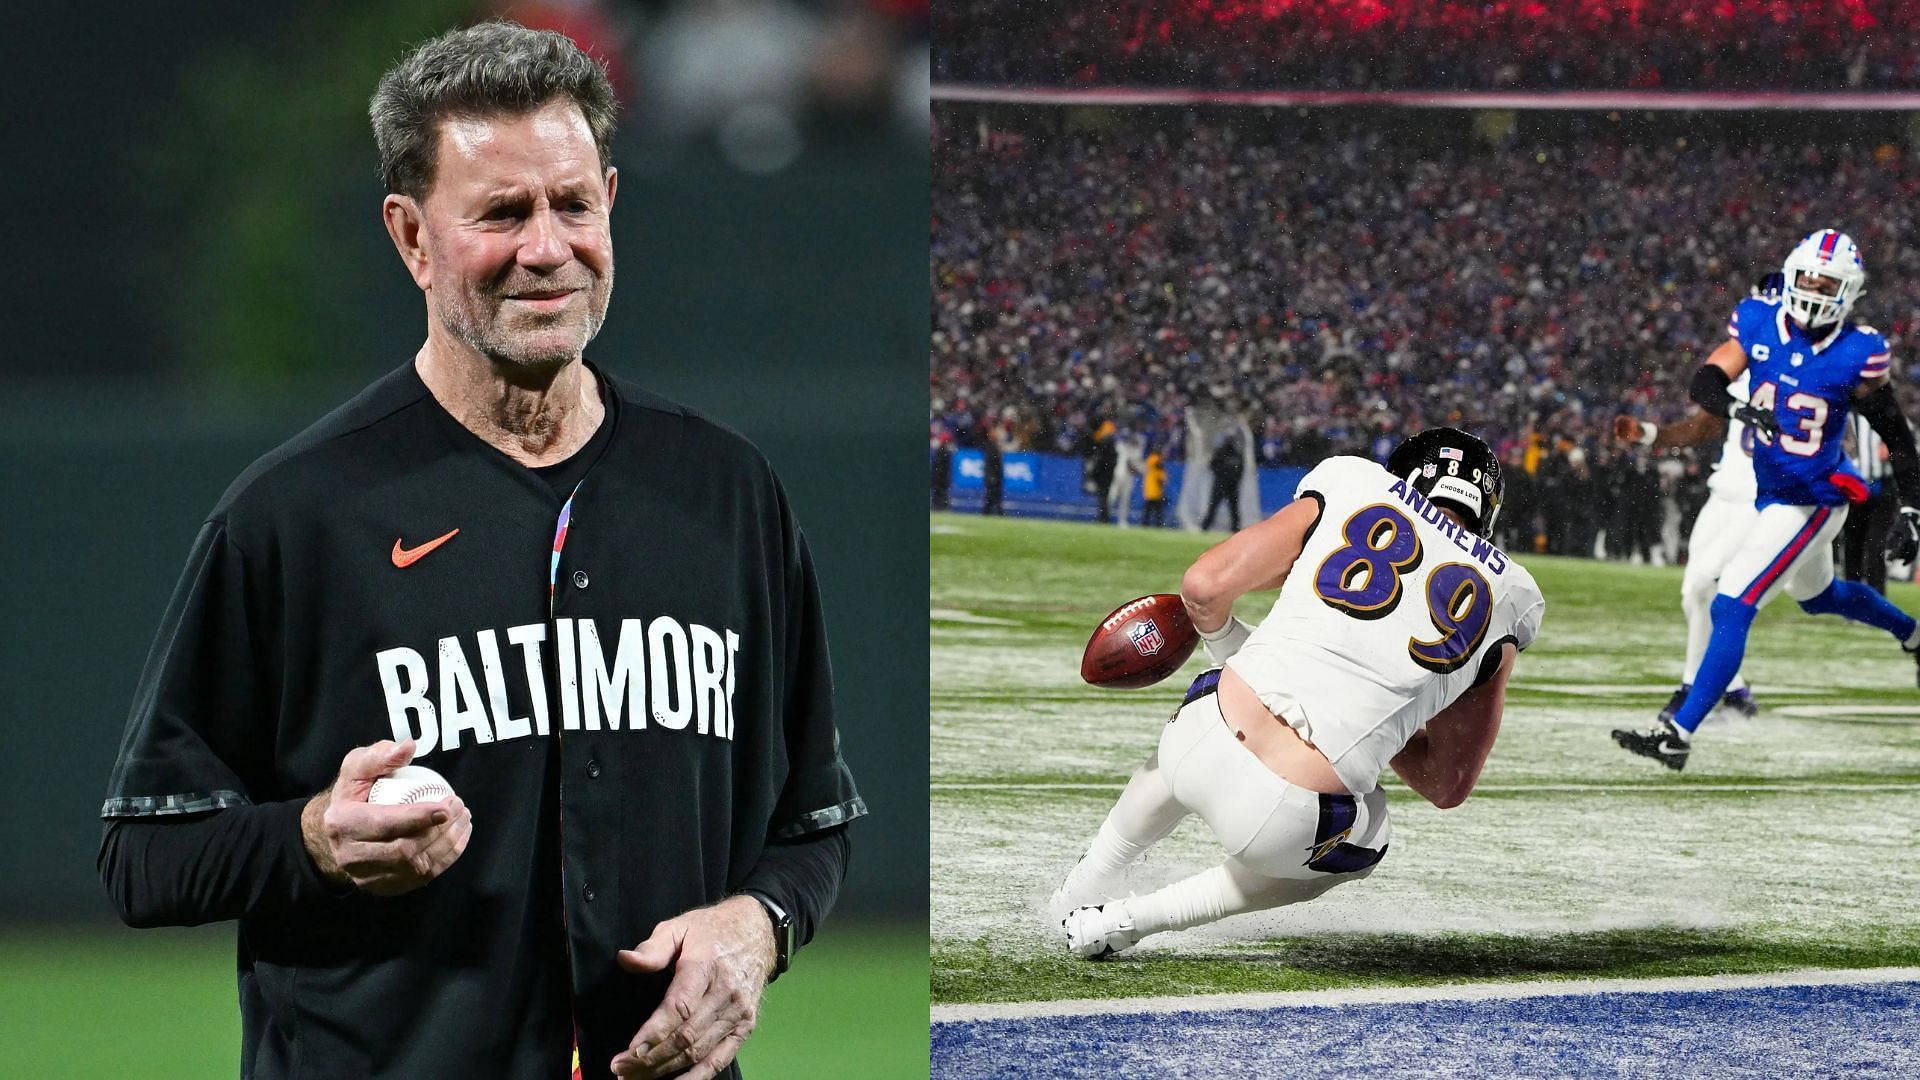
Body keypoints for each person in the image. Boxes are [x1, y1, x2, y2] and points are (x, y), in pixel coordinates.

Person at [96, 22, 863, 1080]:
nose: (547, 248)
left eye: (573, 205)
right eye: (502, 213)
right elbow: (144, 855)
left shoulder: (726, 493)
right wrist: (314, 837)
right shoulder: (296, 516)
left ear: (610, 204)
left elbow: (814, 820)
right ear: (412, 237)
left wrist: (760, 923)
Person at [1052, 428, 1544, 958]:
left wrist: (1229, 645)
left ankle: (1079, 886)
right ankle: (1129, 920)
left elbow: (1203, 587)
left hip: (1196, 740)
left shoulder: (1353, 480)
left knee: (1214, 701)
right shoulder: (1511, 594)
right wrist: (1384, 715)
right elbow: (1446, 785)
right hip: (1286, 816)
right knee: (1371, 836)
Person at [1614, 230, 1920, 770]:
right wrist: (1734, 409)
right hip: (1772, 492)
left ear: (1848, 290)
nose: (1813, 288)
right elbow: (1707, 380)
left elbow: (1897, 436)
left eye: (1826, 281)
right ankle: (1912, 631)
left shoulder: (1859, 352)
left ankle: (1678, 733)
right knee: (1820, 596)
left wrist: (1913, 509)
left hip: (1814, 498)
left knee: (1731, 600)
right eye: (1806, 277)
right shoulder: (1758, 321)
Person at [1611, 273, 1788, 725]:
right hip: (1724, 490)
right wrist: (1651, 434)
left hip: (1763, 496)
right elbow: (1705, 424)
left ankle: (1692, 691)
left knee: (1712, 590)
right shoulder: (1745, 361)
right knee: (1694, 593)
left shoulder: (1802, 372)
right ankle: (1734, 687)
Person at [1201, 434, 1245, 532]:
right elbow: (1212, 466)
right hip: (1222, 484)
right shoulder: (1223, 453)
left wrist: (1230, 477)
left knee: (1232, 509)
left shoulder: (1233, 454)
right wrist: (1224, 475)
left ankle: (1235, 528)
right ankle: (1205, 526)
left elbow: (1241, 471)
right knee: (1215, 507)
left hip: (1228, 485)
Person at [1141, 447, 1169, 527]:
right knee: (1153, 511)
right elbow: (1154, 462)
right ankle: (1149, 524)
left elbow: (1164, 479)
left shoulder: (1157, 464)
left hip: (1155, 492)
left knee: (1152, 511)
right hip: (1153, 492)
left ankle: (1148, 524)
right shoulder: (1155, 461)